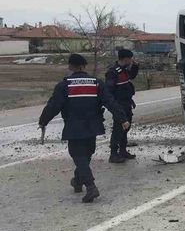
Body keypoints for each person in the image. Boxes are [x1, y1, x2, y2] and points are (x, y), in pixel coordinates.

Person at [39, 54, 129, 203]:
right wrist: (123, 119)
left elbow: (53, 106)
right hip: (93, 126)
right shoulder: (96, 83)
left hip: (74, 127)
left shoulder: (65, 85)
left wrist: (43, 121)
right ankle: (78, 181)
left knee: (78, 156)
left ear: (70, 67)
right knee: (86, 155)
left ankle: (91, 186)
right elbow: (110, 102)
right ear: (84, 66)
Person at [105, 48, 138, 163]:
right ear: (125, 59)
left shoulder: (124, 70)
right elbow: (108, 90)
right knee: (118, 129)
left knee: (126, 127)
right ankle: (113, 153)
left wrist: (135, 66)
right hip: (118, 104)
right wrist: (114, 106)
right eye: (130, 58)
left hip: (127, 102)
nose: (131, 60)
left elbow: (131, 76)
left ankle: (123, 151)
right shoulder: (113, 72)